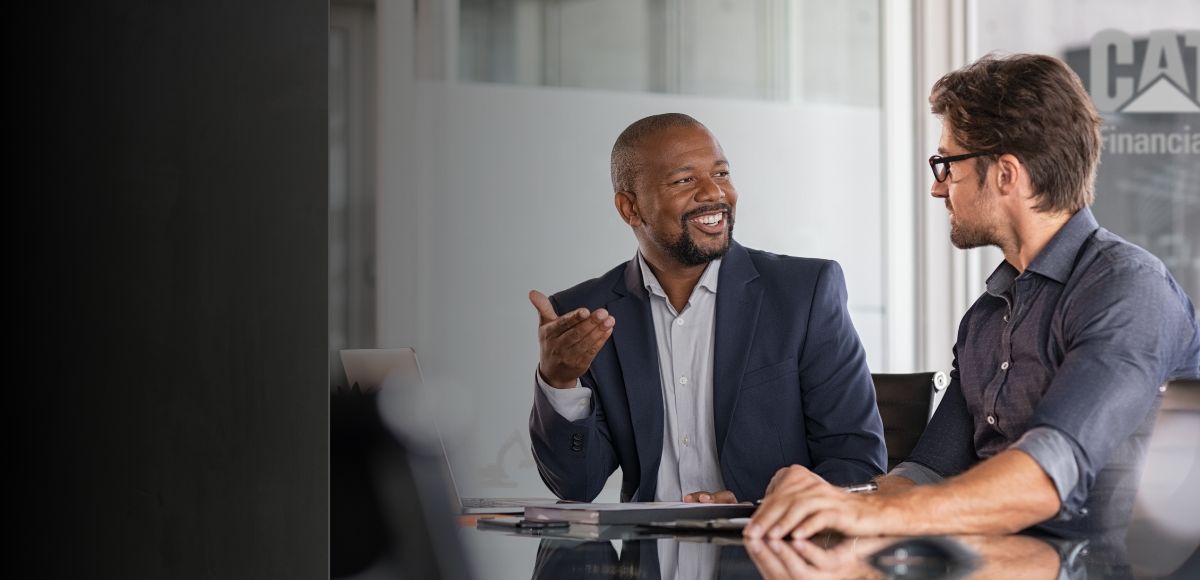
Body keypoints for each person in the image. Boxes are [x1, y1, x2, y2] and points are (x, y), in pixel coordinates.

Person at [746, 53, 1200, 541]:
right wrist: (830, 501)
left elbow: (1048, 474)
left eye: (947, 164)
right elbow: (924, 475)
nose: (937, 188)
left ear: (1006, 173)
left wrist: (869, 517)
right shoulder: (986, 318)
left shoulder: (1127, 290)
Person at [528, 113, 887, 503]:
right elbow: (576, 486)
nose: (713, 193)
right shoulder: (587, 315)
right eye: (684, 180)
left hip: (768, 550)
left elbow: (857, 462)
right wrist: (559, 382)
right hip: (648, 557)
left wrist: (762, 508)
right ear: (630, 208)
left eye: (721, 174)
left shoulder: (804, 294)